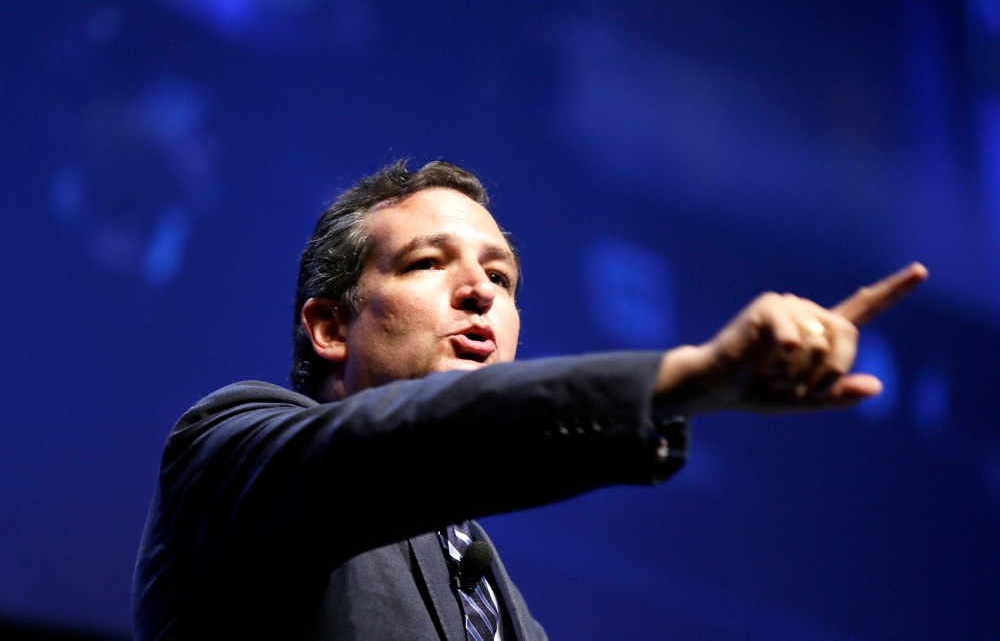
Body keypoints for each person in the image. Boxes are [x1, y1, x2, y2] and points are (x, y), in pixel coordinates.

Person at [131, 160, 927, 640]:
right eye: (425, 264)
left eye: (502, 278)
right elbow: (396, 446)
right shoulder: (233, 448)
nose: (479, 291)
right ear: (330, 326)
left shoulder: (491, 591)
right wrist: (677, 381)